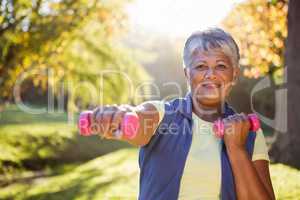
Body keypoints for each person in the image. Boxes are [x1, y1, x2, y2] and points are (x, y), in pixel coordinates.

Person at [90, 28, 275, 200]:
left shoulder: (250, 132)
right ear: (187, 74)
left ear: (234, 74)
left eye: (221, 66)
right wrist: (122, 116)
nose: (210, 74)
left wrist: (237, 149)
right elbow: (140, 119)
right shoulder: (164, 114)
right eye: (201, 66)